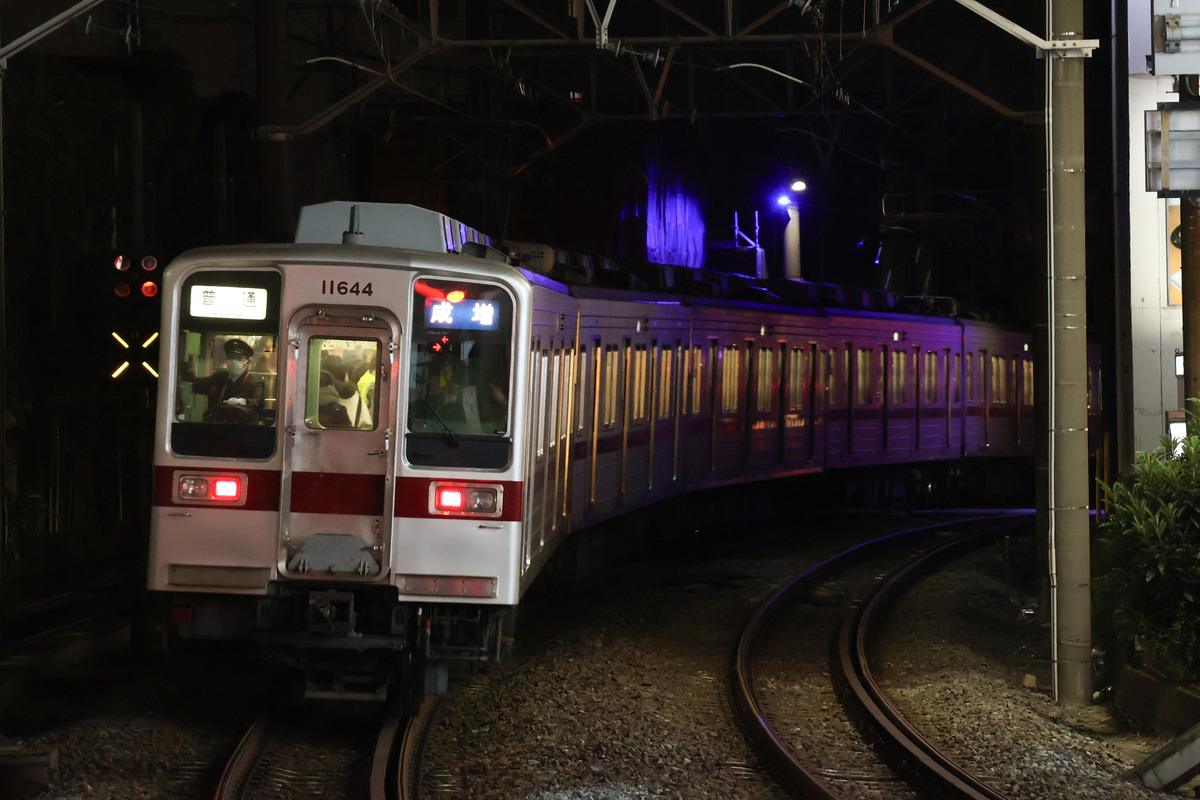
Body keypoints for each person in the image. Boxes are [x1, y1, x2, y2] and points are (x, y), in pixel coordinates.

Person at [189, 338, 265, 421]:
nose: (234, 361)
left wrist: (243, 401)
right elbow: (197, 384)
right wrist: (188, 365)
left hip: (244, 427)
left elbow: (258, 401)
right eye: (231, 357)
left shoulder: (256, 382)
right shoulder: (219, 377)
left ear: (248, 361)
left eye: (239, 358)